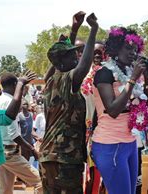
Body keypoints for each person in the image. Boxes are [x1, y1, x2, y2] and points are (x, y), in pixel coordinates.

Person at [91, 27, 148, 194]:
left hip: (130, 142)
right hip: (110, 144)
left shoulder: (129, 71)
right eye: (128, 48)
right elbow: (113, 109)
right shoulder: (104, 73)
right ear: (116, 48)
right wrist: (132, 79)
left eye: (134, 49)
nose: (133, 52)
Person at [39, 12, 97, 194]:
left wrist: (74, 30)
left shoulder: (51, 80)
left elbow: (63, 58)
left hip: (50, 157)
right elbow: (84, 66)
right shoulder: (66, 80)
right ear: (62, 61)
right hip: (64, 159)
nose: (77, 58)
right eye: (72, 56)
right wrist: (93, 30)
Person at [0, 73, 41, 194]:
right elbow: (13, 134)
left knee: (5, 190)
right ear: (15, 85)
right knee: (40, 182)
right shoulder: (10, 103)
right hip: (10, 152)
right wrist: (32, 149)